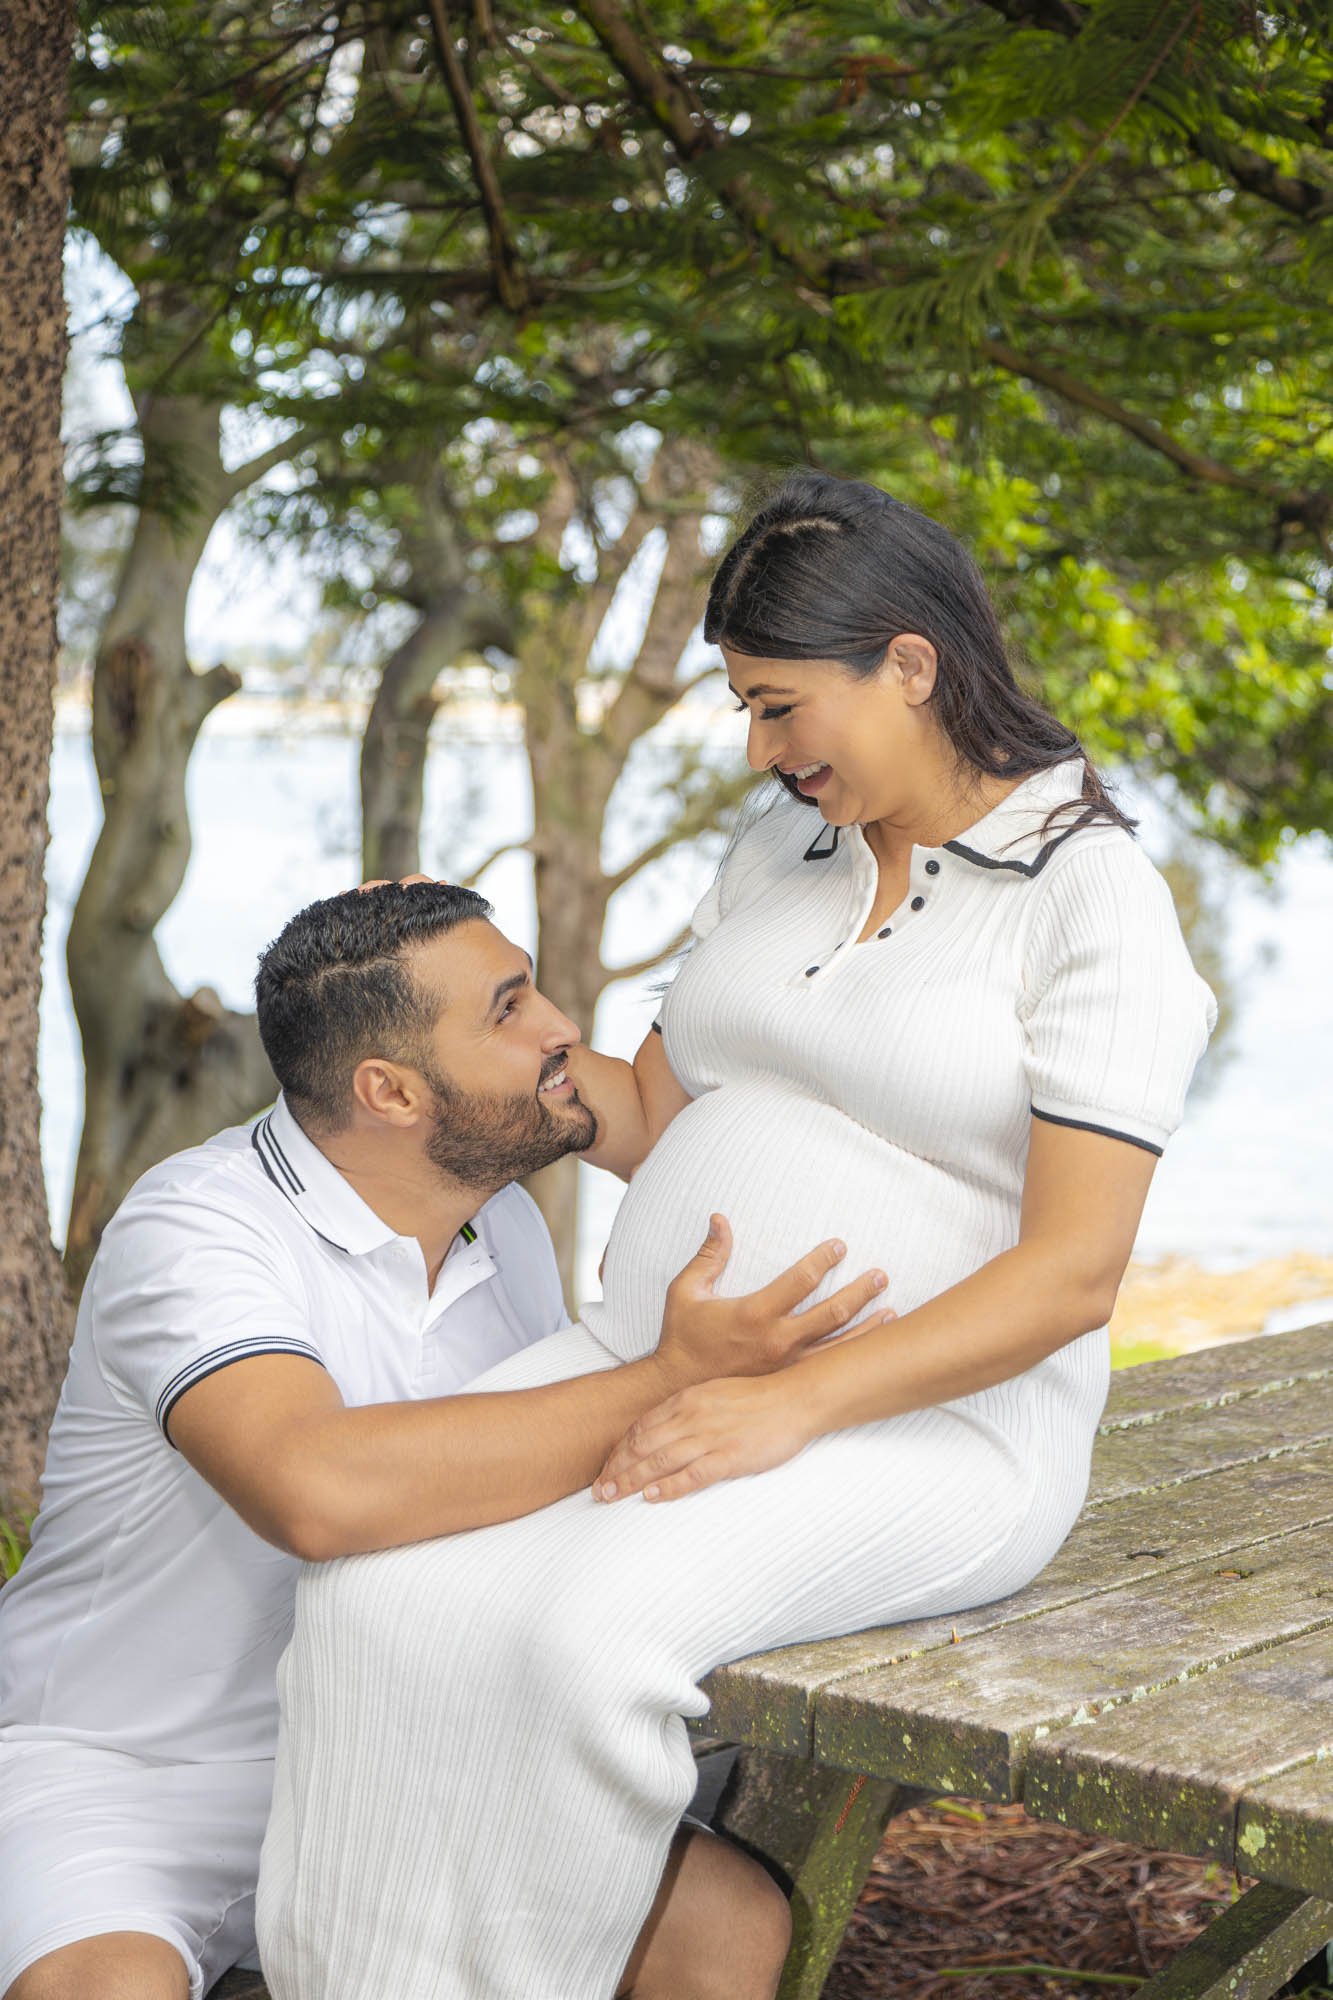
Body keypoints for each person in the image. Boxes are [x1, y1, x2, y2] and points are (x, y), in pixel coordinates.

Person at [256, 471, 1218, 2000]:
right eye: (747, 713)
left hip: (937, 1431)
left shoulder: (1089, 900)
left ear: (906, 664)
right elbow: (642, 1112)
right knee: (373, 1595)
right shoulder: (788, 856)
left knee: (582, 1649)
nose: (764, 752)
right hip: (655, 1364)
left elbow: (1073, 1275)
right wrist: (411, 975)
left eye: (779, 708)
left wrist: (784, 1403)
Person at [0, 883, 888, 2000]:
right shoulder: (196, 1228)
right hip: (120, 1773)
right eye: (509, 1008)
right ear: (390, 1090)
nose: (562, 1026)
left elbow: (553, 1463)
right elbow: (314, 1487)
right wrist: (666, 1373)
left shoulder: (498, 1217)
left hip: (391, 1747)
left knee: (723, 1925)